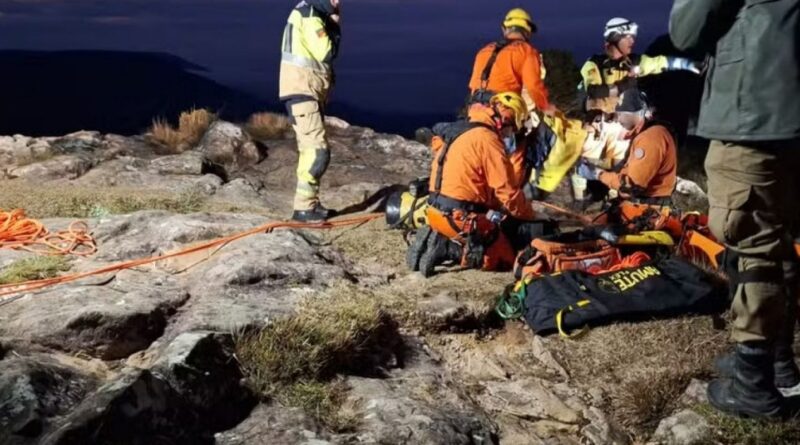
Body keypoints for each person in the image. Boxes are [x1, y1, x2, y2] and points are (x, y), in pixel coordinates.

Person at [670, 0, 800, 420]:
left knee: (753, 244)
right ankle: (776, 364)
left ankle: (754, 384)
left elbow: (687, 30)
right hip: (786, 110)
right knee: (779, 239)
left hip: (752, 112)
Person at [409, 92, 555, 277]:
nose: (508, 135)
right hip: (461, 218)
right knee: (505, 258)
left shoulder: (462, 130)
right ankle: (449, 250)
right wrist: (530, 214)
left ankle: (441, 236)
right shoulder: (488, 140)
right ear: (504, 118)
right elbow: (507, 193)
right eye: (510, 127)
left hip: (435, 211)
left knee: (492, 225)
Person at [279, 0, 341, 222]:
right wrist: (334, 26)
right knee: (317, 151)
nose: (337, 2)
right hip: (302, 91)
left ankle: (309, 204)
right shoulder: (309, 15)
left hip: (306, 92)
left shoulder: (310, 12)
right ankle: (304, 208)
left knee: (310, 150)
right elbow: (325, 52)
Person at [580, 17, 701, 114]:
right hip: (598, 124)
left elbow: (658, 62)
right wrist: (625, 85)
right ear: (615, 37)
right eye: (628, 37)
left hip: (623, 122)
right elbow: (594, 91)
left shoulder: (634, 61)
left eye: (633, 37)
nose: (632, 41)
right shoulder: (595, 63)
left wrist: (688, 64)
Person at [576, 90, 677, 205]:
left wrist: (598, 174)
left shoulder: (650, 138)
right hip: (643, 203)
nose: (617, 119)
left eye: (619, 114)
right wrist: (595, 167)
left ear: (634, 112)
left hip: (648, 207)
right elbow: (626, 169)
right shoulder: (646, 134)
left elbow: (630, 187)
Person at [468, 8, 555, 115]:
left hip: (474, 110)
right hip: (503, 110)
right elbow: (533, 86)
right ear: (528, 32)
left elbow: (473, 86)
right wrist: (546, 107)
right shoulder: (527, 51)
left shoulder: (483, 51)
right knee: (543, 131)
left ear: (504, 29)